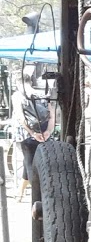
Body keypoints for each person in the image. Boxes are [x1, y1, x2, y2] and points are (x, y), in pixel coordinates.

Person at [15, 68, 55, 202]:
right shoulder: (41, 93)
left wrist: (32, 133)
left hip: (28, 136)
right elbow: (51, 114)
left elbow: (21, 118)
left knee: (30, 164)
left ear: (18, 83)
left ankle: (39, 197)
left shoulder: (18, 95)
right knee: (28, 162)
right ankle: (20, 194)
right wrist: (48, 131)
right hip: (45, 133)